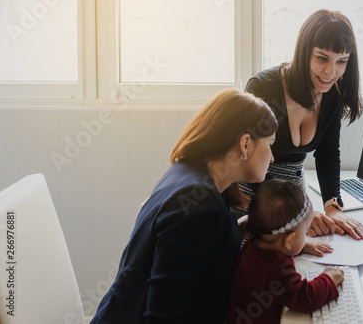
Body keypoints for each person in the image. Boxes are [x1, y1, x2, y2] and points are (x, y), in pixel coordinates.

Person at [91, 89, 278, 323]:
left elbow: (208, 247)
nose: (272, 157)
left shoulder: (190, 175)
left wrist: (264, 226)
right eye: (270, 144)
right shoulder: (198, 208)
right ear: (246, 143)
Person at [240, 9, 363, 240]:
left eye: (342, 62)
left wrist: (332, 207)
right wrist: (297, 212)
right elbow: (247, 161)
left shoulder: (332, 95)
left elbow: (328, 154)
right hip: (251, 197)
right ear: (303, 52)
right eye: (321, 58)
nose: (331, 72)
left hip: (295, 197)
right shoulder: (263, 88)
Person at [226, 179, 344, 323]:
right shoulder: (278, 269)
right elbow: (305, 297)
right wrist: (329, 279)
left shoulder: (253, 242)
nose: (305, 237)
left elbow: (278, 246)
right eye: (304, 232)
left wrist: (303, 246)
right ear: (289, 241)